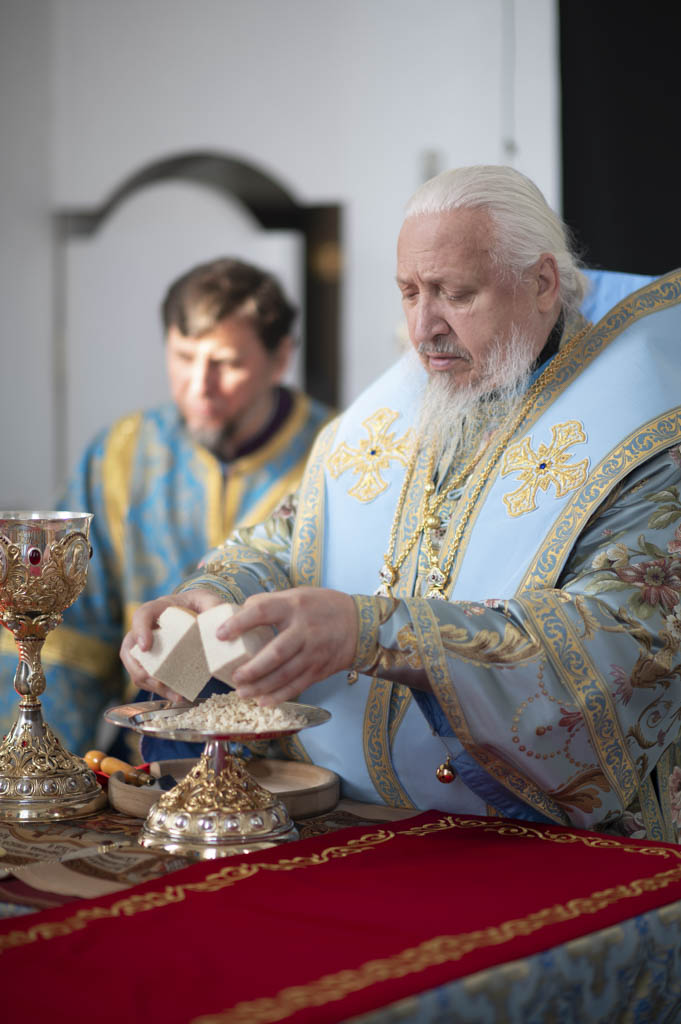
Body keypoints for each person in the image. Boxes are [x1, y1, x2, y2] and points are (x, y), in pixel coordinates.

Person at [122, 167, 681, 843]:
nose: (422, 328)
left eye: (456, 294)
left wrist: (374, 633)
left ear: (541, 283)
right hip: (347, 820)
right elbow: (291, 541)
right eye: (410, 292)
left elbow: (622, 646)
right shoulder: (405, 404)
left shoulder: (639, 435)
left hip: (539, 843)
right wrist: (208, 604)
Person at [0, 257, 331, 753]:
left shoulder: (336, 456)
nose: (200, 386)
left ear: (280, 357)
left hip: (295, 763)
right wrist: (52, 766)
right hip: (143, 759)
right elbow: (70, 636)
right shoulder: (122, 454)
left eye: (227, 363)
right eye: (183, 357)